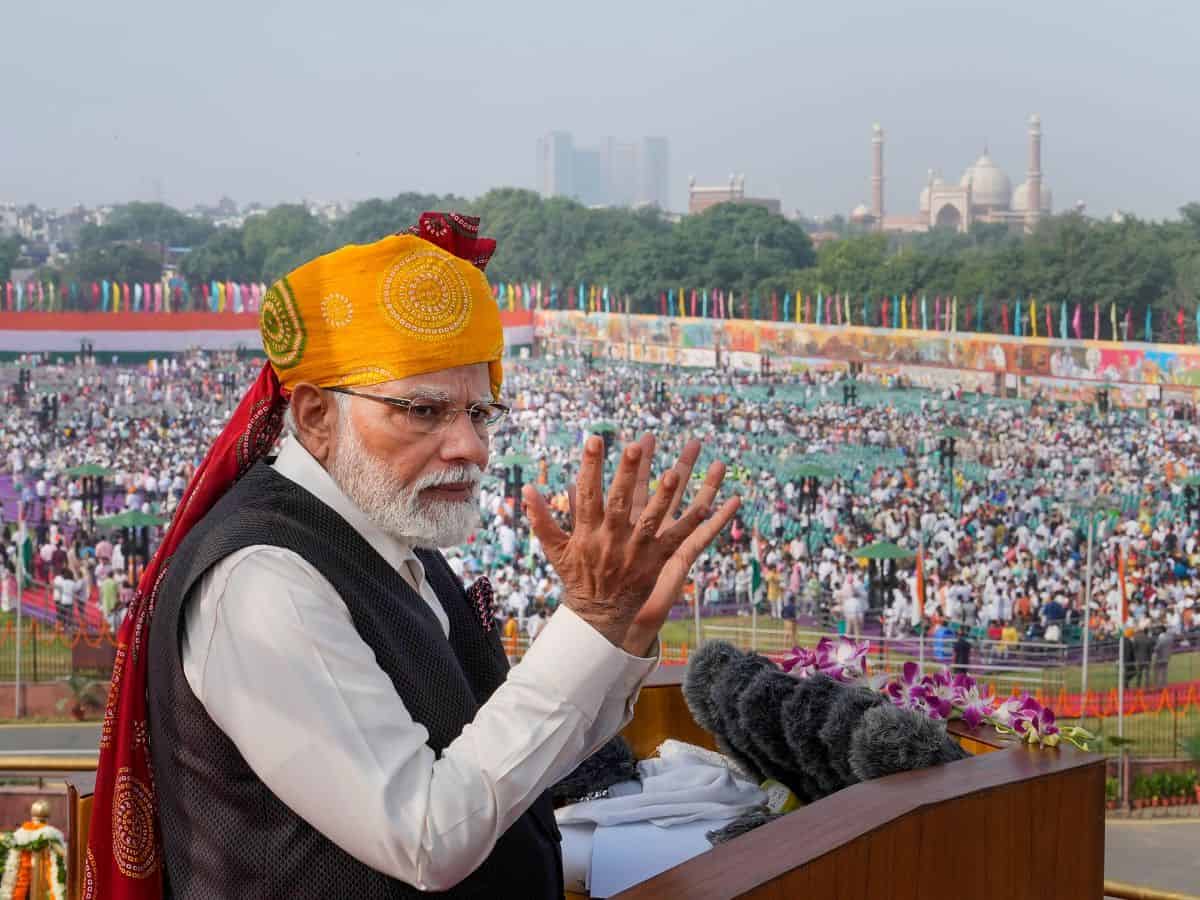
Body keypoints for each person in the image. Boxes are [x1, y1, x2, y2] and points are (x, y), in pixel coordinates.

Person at [87, 213, 740, 900]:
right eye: (424, 412)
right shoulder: (264, 580)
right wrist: (590, 615)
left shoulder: (392, 531)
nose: (471, 448)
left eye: (480, 415)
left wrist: (617, 634)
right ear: (314, 416)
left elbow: (513, 762)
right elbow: (426, 837)